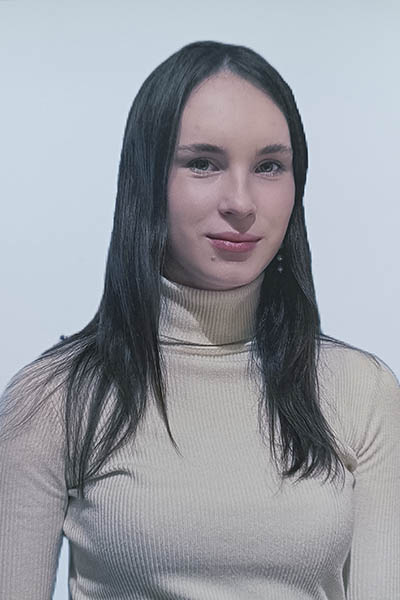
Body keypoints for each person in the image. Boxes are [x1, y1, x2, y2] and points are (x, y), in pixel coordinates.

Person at [0, 40, 399, 600]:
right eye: (203, 163)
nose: (240, 201)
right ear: (146, 180)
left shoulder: (361, 392)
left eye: (269, 166)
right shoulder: (52, 400)